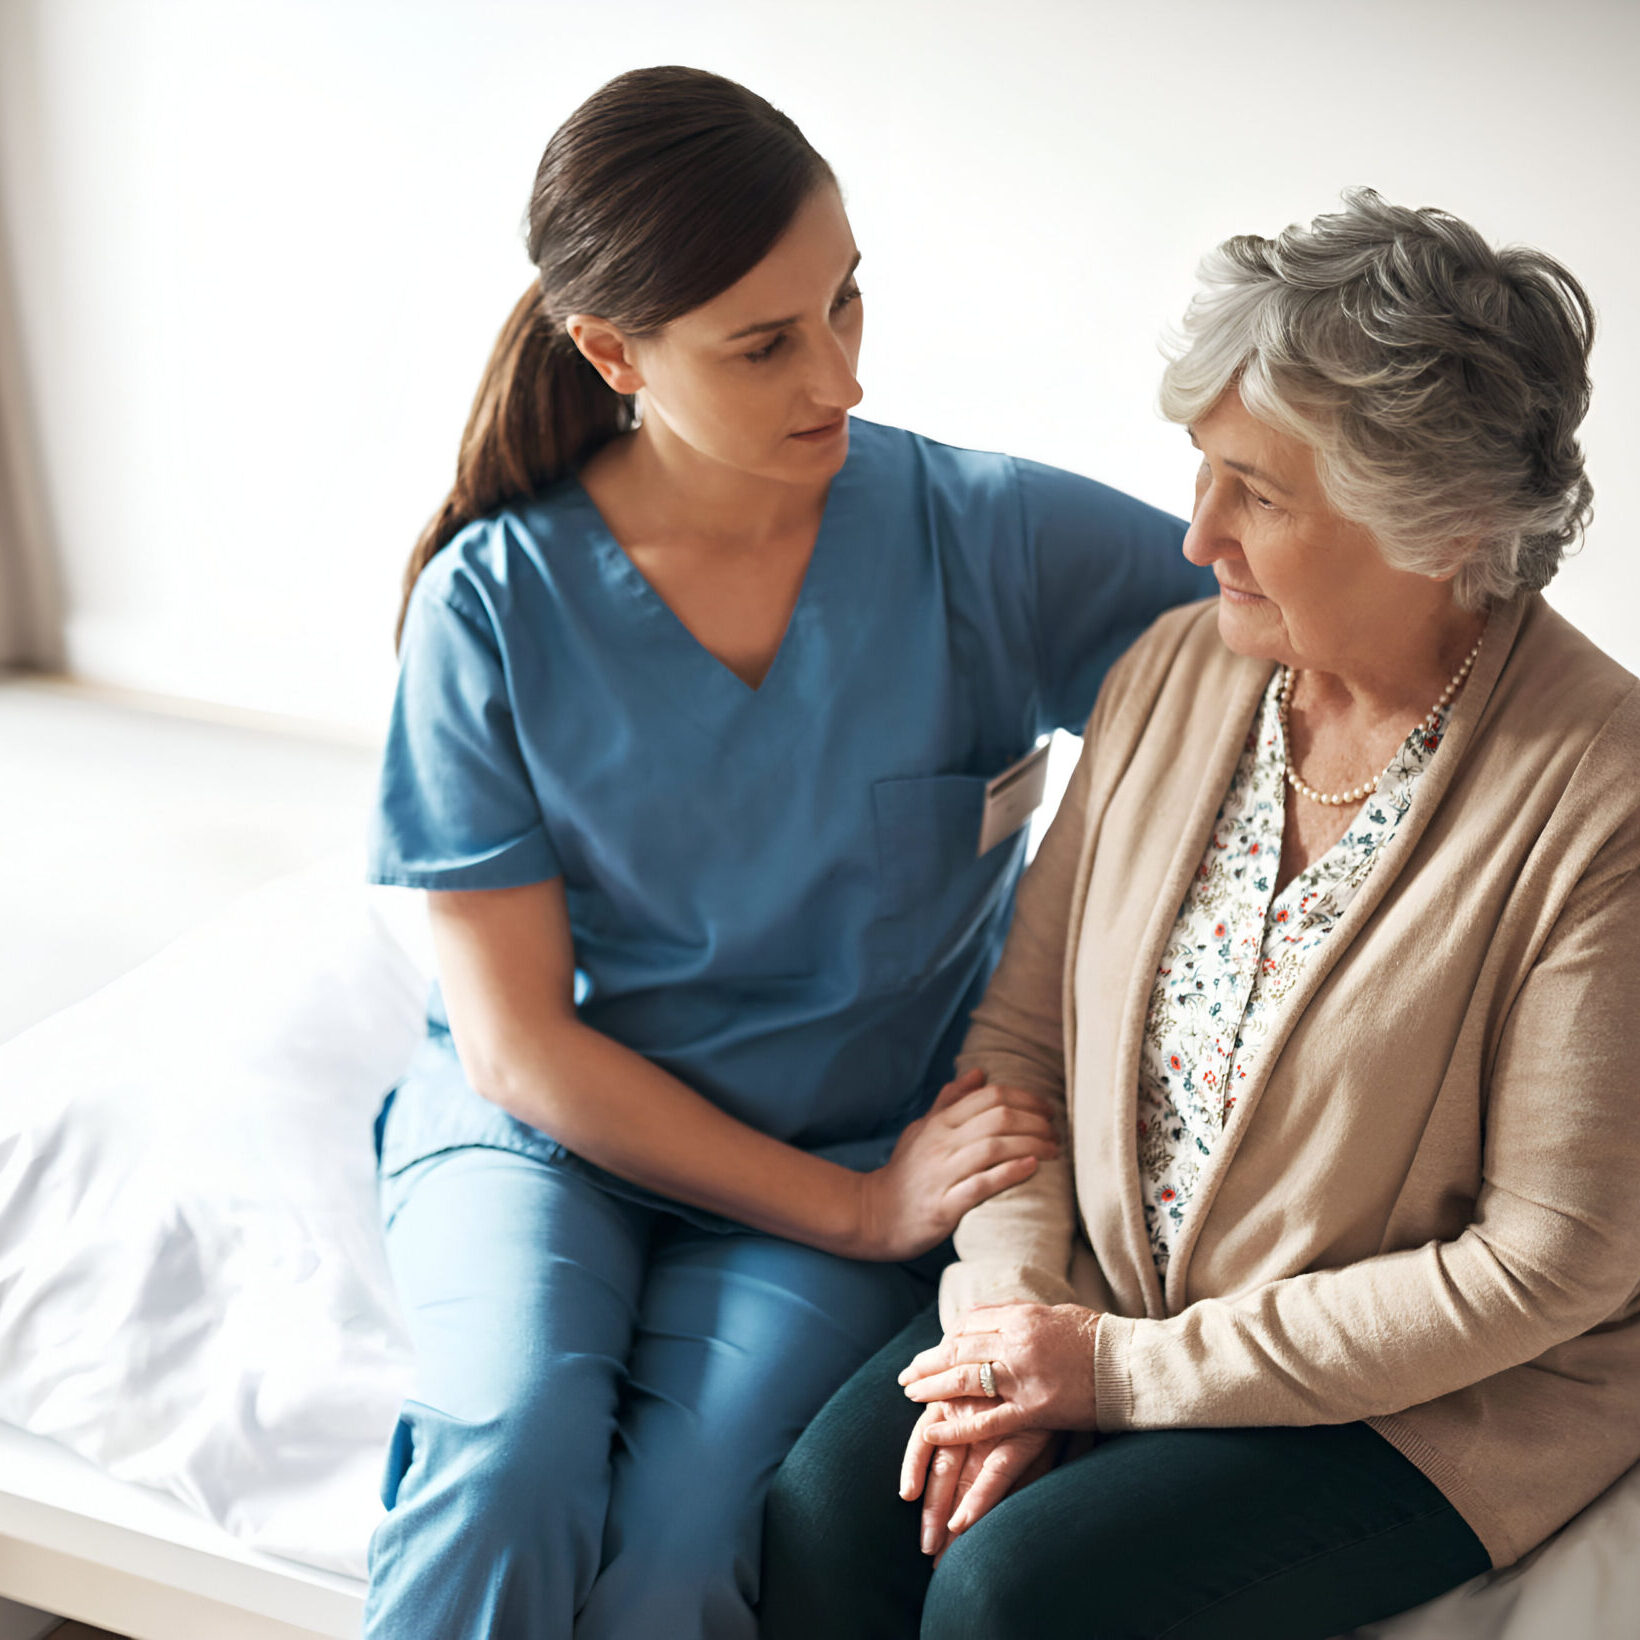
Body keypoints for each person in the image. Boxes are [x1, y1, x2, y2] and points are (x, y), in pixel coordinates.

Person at [360, 65, 1209, 1640]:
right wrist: (870, 1219)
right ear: (615, 352)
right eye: (766, 343)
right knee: (506, 1463)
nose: (840, 375)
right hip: (559, 1143)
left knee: (688, 1555)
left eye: (847, 304)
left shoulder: (984, 538)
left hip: (846, 1136)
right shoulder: (492, 604)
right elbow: (521, 1046)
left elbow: (1299, 634)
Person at [760, 187, 1640, 1640]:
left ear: (1436, 526)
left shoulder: (1602, 794)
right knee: (822, 1516)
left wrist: (1108, 1377)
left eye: (1260, 493)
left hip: (1424, 1396)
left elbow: (1548, 1261)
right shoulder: (1176, 673)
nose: (1195, 535)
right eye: (1203, 473)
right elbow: (1024, 1047)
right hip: (1102, 1291)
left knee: (1012, 1598)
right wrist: (1006, 1340)